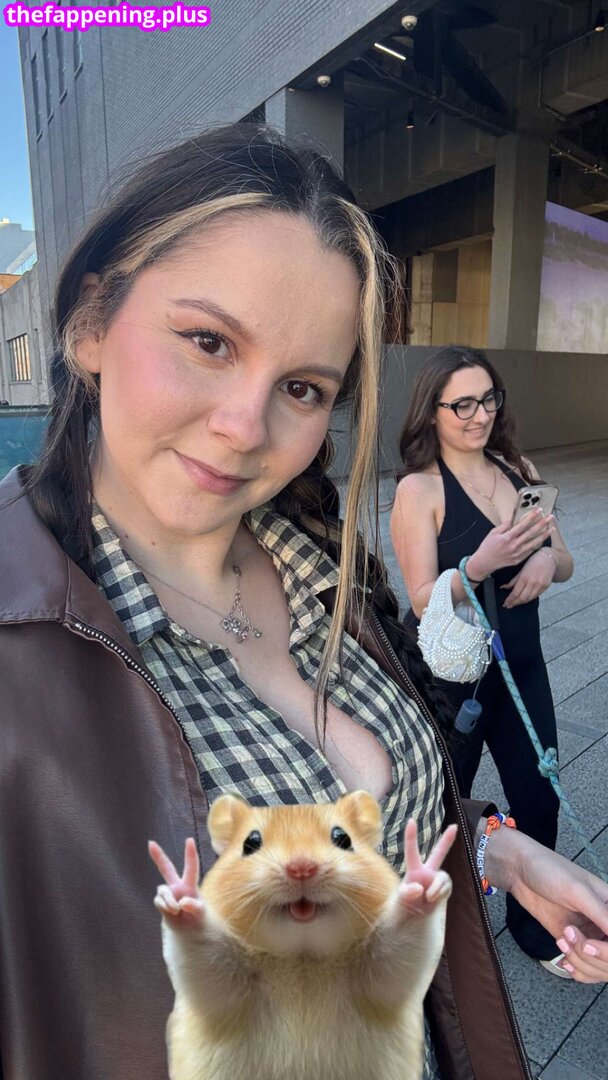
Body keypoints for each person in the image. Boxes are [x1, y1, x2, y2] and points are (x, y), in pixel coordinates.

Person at [0, 127, 606, 1080]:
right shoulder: (18, 641)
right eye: (208, 342)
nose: (246, 426)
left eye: (301, 386)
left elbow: (380, 814)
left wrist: (496, 852)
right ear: (89, 325)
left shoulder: (322, 564)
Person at [390, 345, 576, 974]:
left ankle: (533, 927)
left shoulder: (518, 469)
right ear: (432, 411)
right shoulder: (420, 488)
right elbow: (421, 596)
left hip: (523, 663)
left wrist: (546, 558)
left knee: (539, 797)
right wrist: (477, 566)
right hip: (454, 678)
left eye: (488, 399)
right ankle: (430, 926)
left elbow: (565, 559)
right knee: (444, 802)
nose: (480, 415)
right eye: (462, 404)